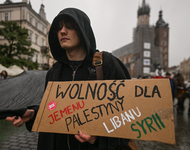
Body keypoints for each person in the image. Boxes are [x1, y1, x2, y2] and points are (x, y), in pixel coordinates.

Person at [6, 8, 132, 150]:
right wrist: (33, 114)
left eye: (70, 26)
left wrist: (99, 137)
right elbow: (51, 108)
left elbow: (129, 114)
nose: (63, 31)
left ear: (83, 29)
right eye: (58, 28)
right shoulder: (54, 72)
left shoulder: (107, 64)